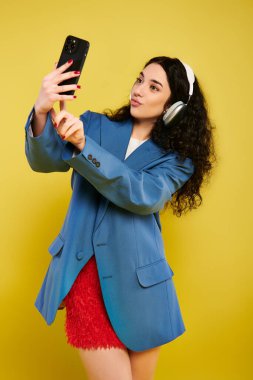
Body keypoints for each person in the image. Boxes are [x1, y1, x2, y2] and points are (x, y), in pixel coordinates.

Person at [24, 56, 216, 380]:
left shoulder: (178, 161)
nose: (139, 90)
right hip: (85, 275)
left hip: (143, 289)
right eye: (140, 79)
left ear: (175, 107)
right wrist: (42, 111)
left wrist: (86, 148)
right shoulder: (94, 126)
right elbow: (43, 159)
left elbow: (142, 195)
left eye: (153, 86)